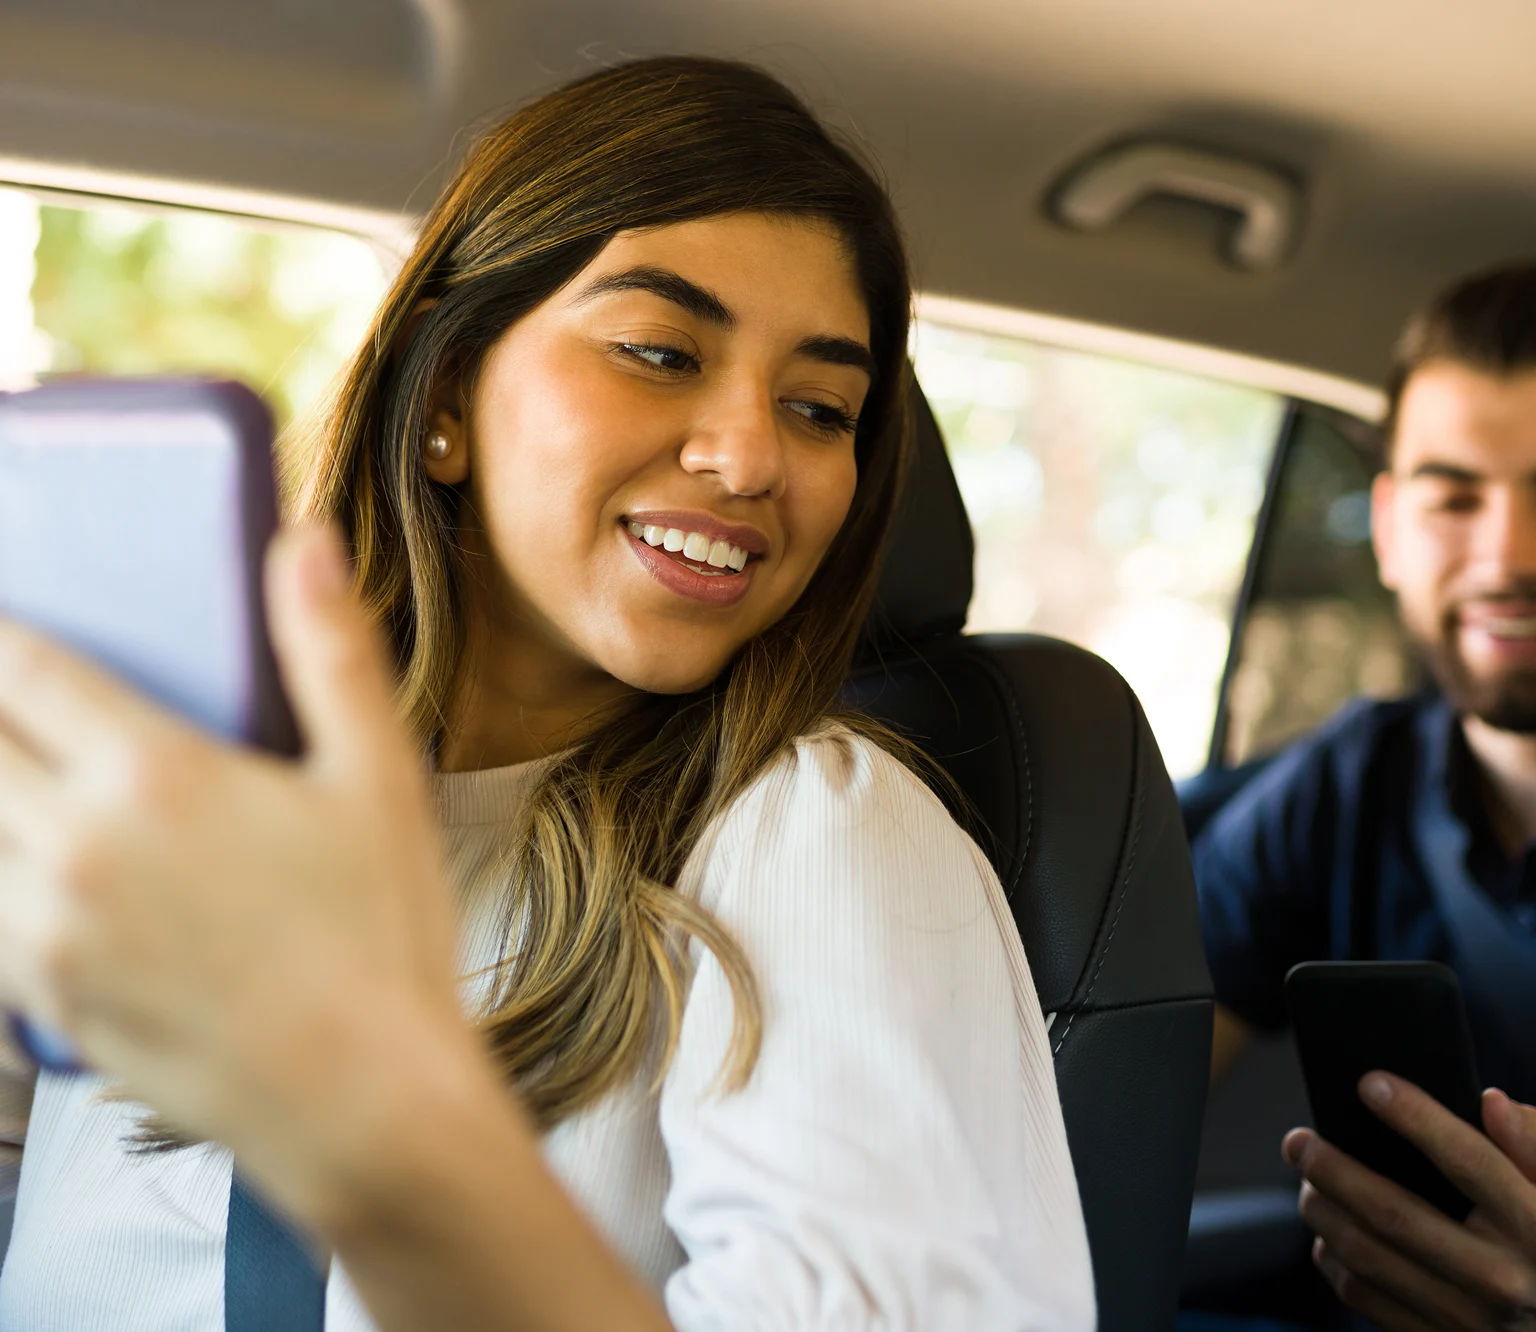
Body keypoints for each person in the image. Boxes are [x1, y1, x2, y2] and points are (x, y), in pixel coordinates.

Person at [0, 57, 1094, 1332]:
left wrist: (370, 1127)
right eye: (658, 351)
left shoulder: (815, 833)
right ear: (447, 394)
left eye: (818, 408)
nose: (749, 457)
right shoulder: (203, 800)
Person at [1195, 262, 1536, 1329]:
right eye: (1454, 496)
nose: (1508, 555)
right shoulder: (1343, 788)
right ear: (1389, 526)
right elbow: (1109, 1076)